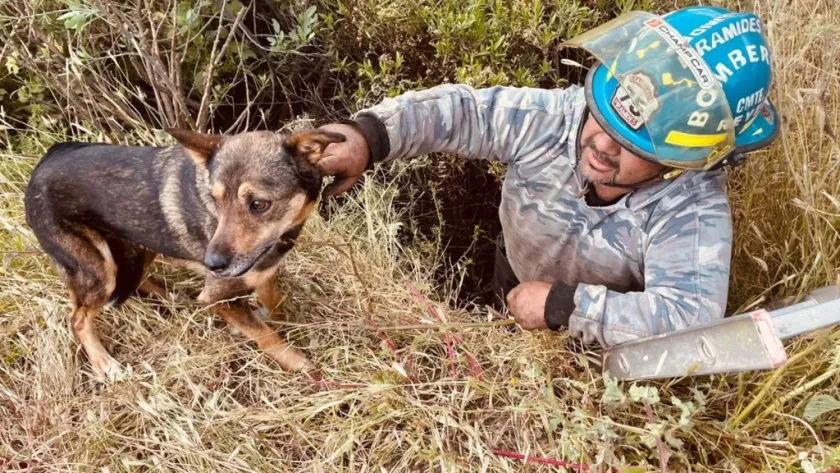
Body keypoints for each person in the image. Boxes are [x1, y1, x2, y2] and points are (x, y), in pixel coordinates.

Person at [314, 6, 779, 348]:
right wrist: (367, 137)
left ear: (681, 161)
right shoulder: (557, 118)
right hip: (512, 270)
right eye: (602, 117)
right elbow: (465, 112)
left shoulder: (692, 207)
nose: (601, 144)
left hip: (593, 338)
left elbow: (690, 316)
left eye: (633, 147)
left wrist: (565, 307)